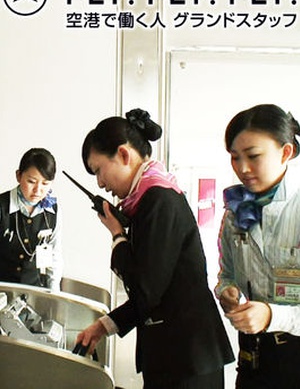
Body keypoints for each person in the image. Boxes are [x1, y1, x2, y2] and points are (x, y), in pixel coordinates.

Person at [76, 108, 234, 389]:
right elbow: (153, 288)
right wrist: (105, 325)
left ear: (124, 155)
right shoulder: (147, 200)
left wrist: (117, 236)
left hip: (186, 358)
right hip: (176, 355)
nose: (100, 183)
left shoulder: (158, 199)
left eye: (99, 170)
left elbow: (146, 290)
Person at [215, 104, 300, 389]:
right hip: (254, 358)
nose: (242, 168)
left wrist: (272, 315)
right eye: (235, 158)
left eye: (253, 156)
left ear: (285, 152)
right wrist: (227, 290)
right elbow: (226, 273)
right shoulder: (235, 213)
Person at [0, 148, 63, 291]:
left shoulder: (53, 211)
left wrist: (54, 293)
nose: (38, 190)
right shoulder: (2, 206)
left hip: (34, 292)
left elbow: (55, 255)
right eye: (31, 181)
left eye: (45, 184)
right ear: (18, 176)